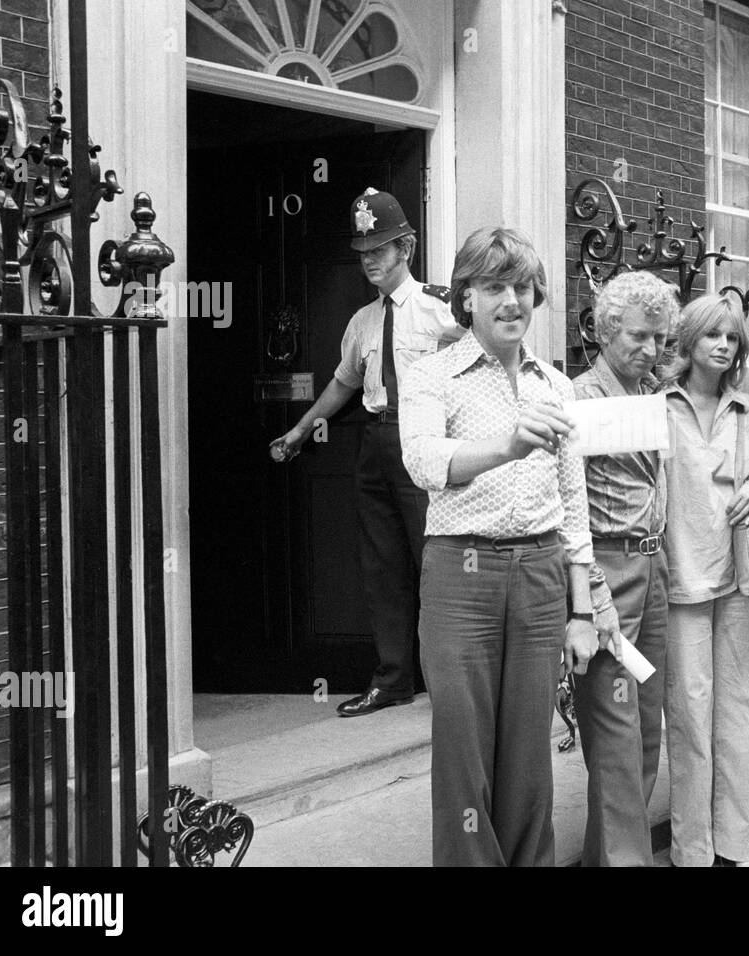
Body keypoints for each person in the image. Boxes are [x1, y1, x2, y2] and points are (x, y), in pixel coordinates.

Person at [399, 226, 616, 867]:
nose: (510, 302)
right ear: (466, 297)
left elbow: (573, 507)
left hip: (542, 574)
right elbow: (423, 461)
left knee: (529, 752)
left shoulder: (556, 384)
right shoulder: (431, 374)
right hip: (459, 576)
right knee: (464, 748)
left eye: (521, 287)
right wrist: (508, 446)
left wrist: (582, 610)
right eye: (493, 287)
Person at [269, 187, 461, 717]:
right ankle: (394, 678)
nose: (369, 260)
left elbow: (481, 368)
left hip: (424, 441)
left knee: (435, 563)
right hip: (375, 443)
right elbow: (343, 384)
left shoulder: (442, 312)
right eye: (363, 251)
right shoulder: (362, 321)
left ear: (407, 248)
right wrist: (301, 431)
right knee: (382, 566)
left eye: (380, 248)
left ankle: (450, 683)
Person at [660, 291, 749, 867]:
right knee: (689, 721)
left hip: (738, 583)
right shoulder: (658, 405)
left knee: (739, 716)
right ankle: (693, 851)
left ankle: (742, 844)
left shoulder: (745, 410)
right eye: (713, 335)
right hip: (680, 582)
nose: (724, 346)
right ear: (688, 342)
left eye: (732, 338)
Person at [572, 270, 681, 866]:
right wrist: (591, 598)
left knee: (644, 729)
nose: (652, 350)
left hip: (654, 566)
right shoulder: (578, 399)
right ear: (606, 331)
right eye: (640, 337)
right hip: (608, 569)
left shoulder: (650, 397)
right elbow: (570, 511)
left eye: (660, 339)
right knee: (614, 734)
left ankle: (609, 856)